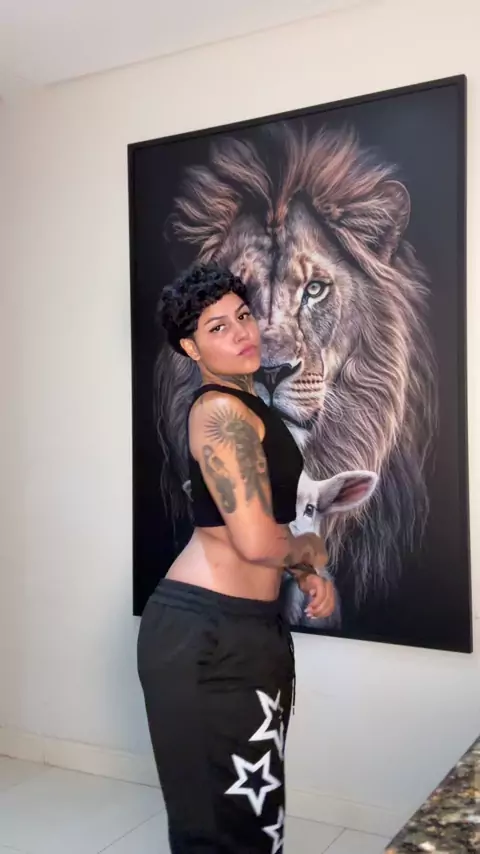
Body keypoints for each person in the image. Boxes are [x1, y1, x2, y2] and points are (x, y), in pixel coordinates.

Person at [137, 262, 335, 853]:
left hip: (246, 628)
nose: (243, 332)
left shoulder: (249, 407)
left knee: (257, 814)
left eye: (243, 316)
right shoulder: (220, 413)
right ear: (190, 347)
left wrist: (302, 571)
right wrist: (312, 549)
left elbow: (265, 523)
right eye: (217, 327)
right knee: (220, 828)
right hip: (206, 636)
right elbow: (254, 542)